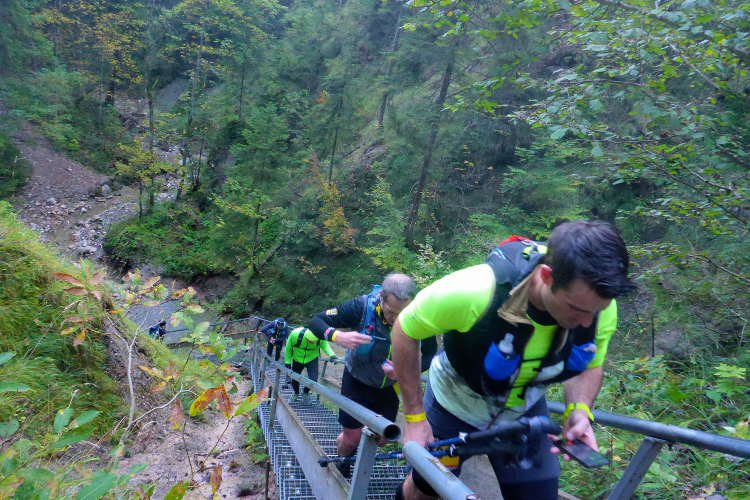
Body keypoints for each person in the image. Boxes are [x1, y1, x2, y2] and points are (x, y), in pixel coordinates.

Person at [391, 221, 636, 500]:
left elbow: (589, 363)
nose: (586, 322)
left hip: (524, 413)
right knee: (426, 491)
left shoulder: (598, 308)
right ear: (546, 276)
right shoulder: (473, 291)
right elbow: (405, 330)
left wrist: (579, 411)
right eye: (576, 308)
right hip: (454, 403)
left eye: (596, 311)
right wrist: (414, 417)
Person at [309, 273, 437, 477]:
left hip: (389, 387)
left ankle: (355, 446)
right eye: (391, 312)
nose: (397, 320)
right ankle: (344, 457)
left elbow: (431, 354)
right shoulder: (360, 307)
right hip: (357, 381)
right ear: (382, 297)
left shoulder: (420, 315)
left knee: (383, 438)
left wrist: (404, 370)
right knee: (351, 439)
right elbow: (316, 321)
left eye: (403, 313)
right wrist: (337, 336)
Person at [284, 326, 338, 404]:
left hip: (312, 358)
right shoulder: (295, 334)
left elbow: (325, 346)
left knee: (313, 380)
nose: (312, 342)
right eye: (310, 340)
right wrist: (288, 362)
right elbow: (288, 347)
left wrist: (332, 355)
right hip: (297, 358)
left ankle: (306, 392)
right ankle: (296, 392)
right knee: (295, 379)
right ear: (307, 337)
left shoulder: (320, 337)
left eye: (314, 341)